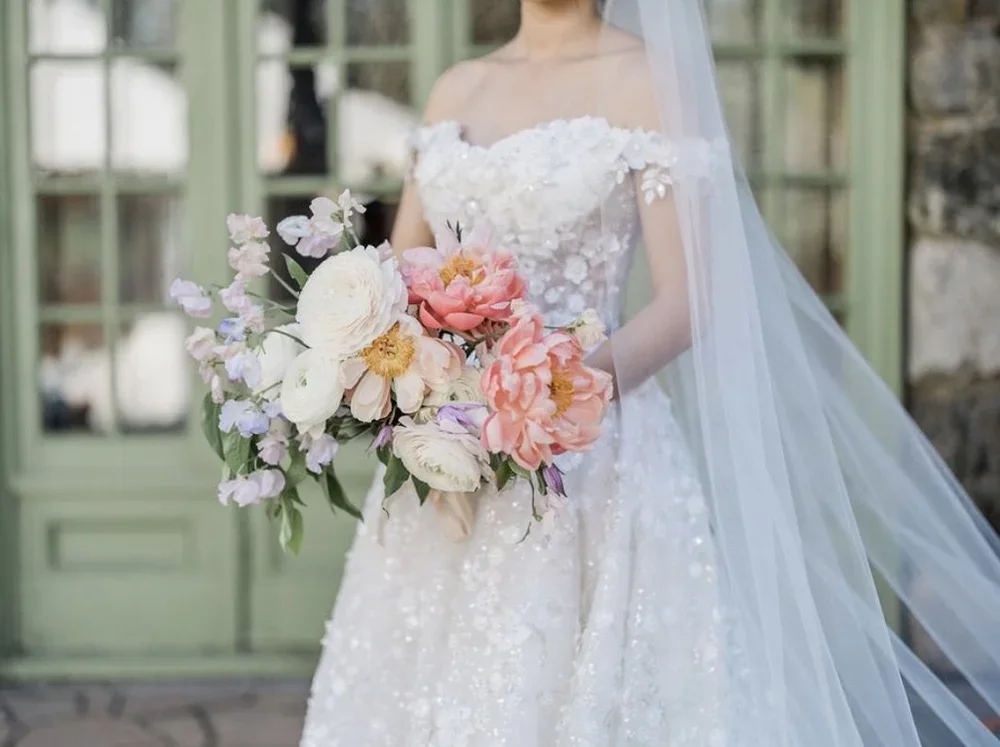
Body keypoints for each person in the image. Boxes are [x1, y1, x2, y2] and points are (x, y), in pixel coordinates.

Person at [301, 1, 1000, 745]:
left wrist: (551, 394)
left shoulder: (649, 81)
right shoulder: (455, 89)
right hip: (445, 456)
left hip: (590, 455)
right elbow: (401, 273)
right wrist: (371, 361)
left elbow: (691, 296)